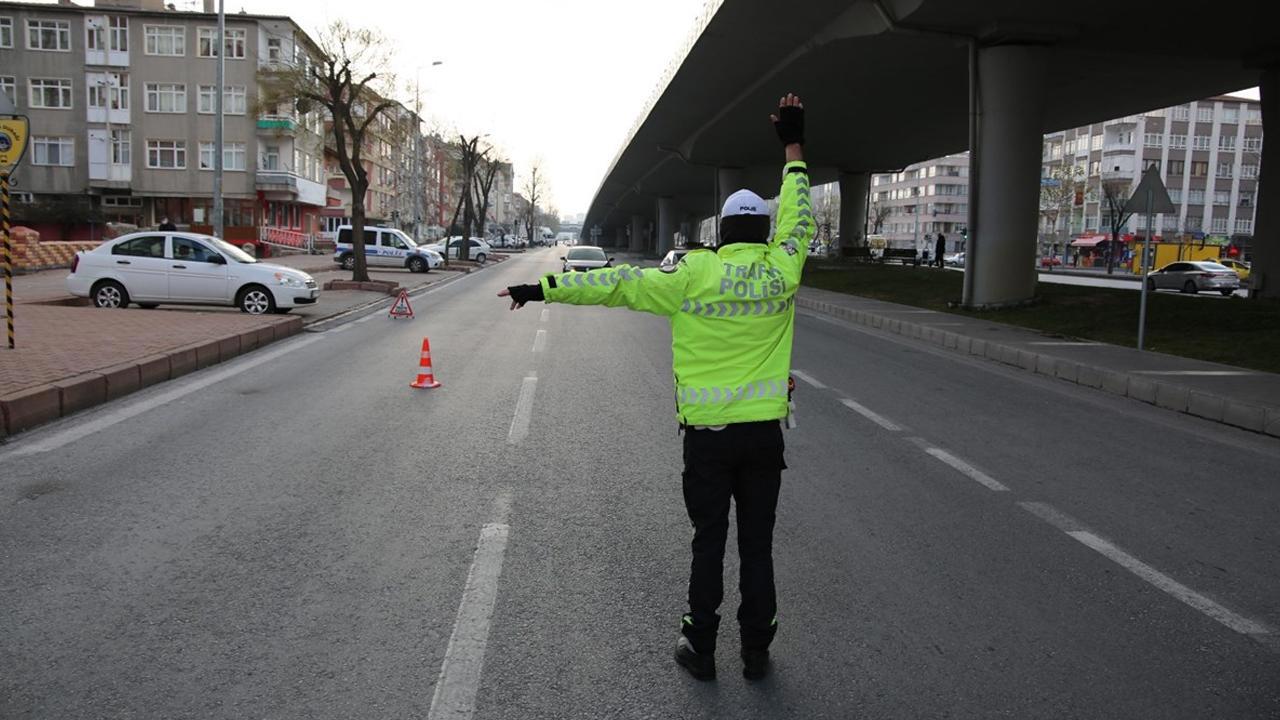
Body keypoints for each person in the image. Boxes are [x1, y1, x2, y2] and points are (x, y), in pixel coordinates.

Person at [499, 93, 814, 682]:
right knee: (758, 548)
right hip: (764, 439)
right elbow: (800, 216)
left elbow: (615, 284)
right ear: (764, 231)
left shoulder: (692, 272)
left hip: (708, 441)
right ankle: (756, 651)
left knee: (708, 542)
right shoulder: (783, 268)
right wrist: (792, 148)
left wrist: (541, 289)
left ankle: (699, 648)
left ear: (722, 231)